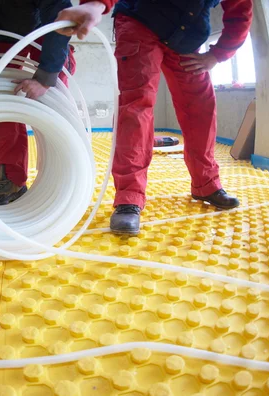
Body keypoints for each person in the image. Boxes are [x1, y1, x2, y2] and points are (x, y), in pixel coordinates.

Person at [60, 0, 253, 235]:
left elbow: (240, 10)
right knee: (136, 108)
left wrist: (218, 55)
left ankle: (206, 184)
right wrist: (96, 4)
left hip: (187, 36)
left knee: (201, 108)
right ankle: (128, 198)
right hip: (141, 21)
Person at [0, 0, 108, 206]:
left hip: (47, 28)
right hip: (0, 36)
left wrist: (46, 77)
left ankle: (64, 175)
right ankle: (10, 178)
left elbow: (58, 12)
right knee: (1, 102)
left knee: (55, 101)